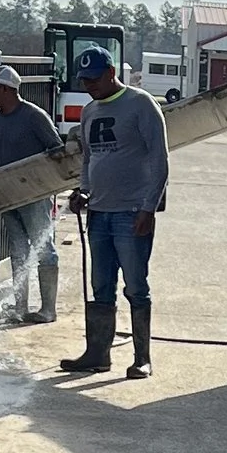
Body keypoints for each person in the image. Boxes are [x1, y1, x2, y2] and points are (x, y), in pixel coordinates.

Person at [58, 45, 169, 381]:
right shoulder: (90, 111)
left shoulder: (140, 104)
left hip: (132, 212)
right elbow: (89, 158)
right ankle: (97, 354)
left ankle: (142, 358)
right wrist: (84, 191)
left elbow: (159, 159)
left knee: (136, 285)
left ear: (111, 73)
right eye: (83, 80)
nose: (89, 85)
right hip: (99, 214)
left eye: (94, 78)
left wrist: (149, 207)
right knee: (100, 284)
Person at [0, 49, 64, 326]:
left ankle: (48, 309)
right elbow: (0, 159)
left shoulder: (34, 116)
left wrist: (43, 182)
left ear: (5, 89)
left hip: (35, 195)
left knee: (43, 247)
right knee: (18, 249)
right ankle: (20, 307)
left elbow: (57, 150)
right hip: (9, 195)